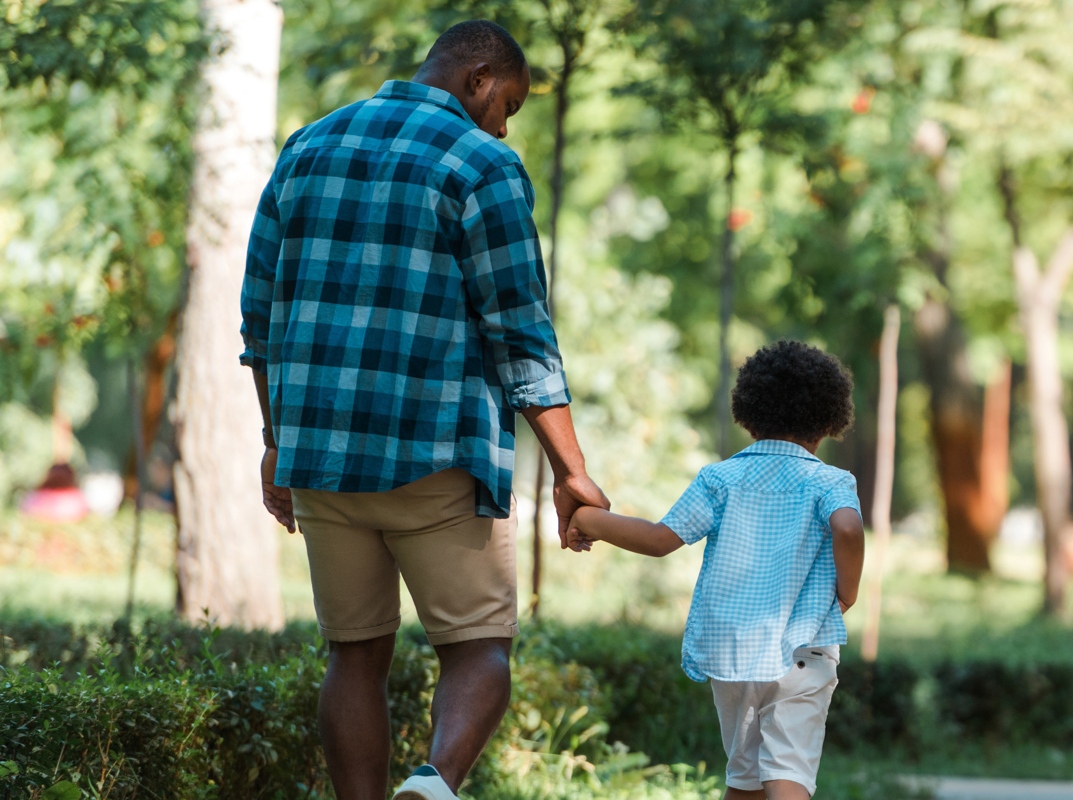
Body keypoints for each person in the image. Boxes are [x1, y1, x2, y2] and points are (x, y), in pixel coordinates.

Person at [239, 20, 608, 800]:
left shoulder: (306, 147)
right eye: (507, 104)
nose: (503, 126)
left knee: (353, 655)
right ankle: (434, 783)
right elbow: (520, 332)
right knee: (479, 648)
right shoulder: (482, 164)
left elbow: (260, 320)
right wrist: (570, 471)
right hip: (436, 458)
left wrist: (276, 441)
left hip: (321, 458)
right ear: (477, 78)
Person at [566, 340, 866, 800]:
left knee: (744, 778)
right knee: (788, 770)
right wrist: (848, 592)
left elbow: (659, 540)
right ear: (828, 422)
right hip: (803, 647)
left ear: (749, 416)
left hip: (734, 652)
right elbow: (847, 528)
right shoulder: (829, 481)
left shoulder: (720, 479)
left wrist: (589, 519)